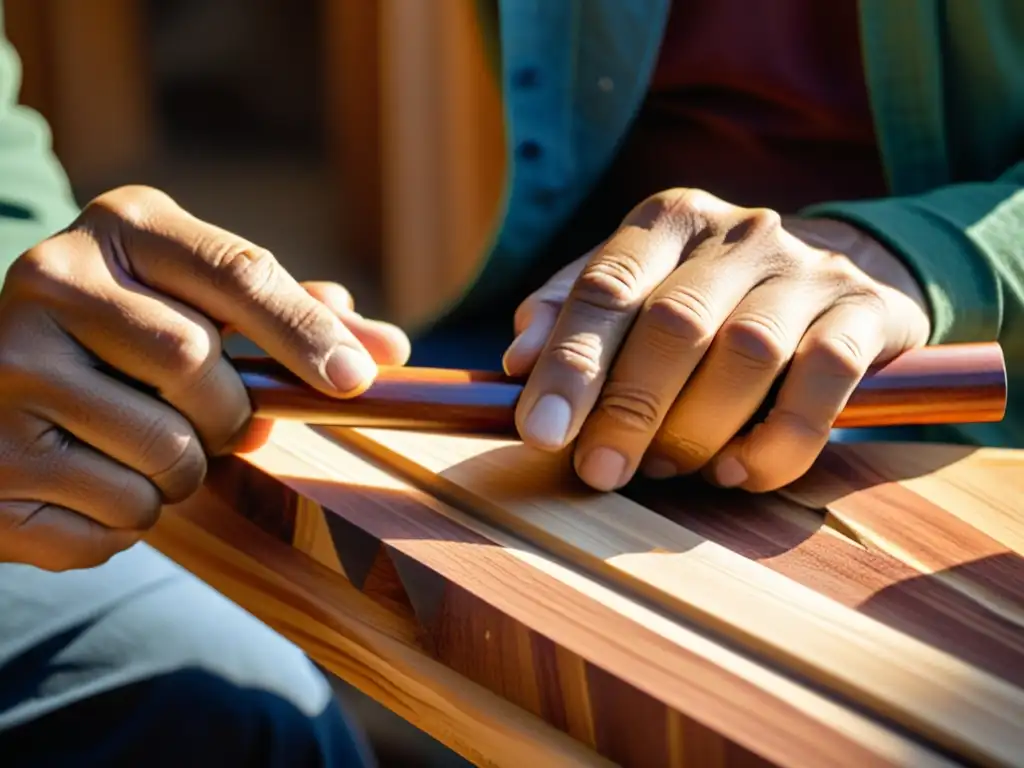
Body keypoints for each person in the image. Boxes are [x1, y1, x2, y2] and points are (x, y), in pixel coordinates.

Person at [0, 0, 1020, 764]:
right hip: (572, 341)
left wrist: (924, 260)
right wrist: (37, 302)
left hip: (936, 385)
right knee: (233, 714)